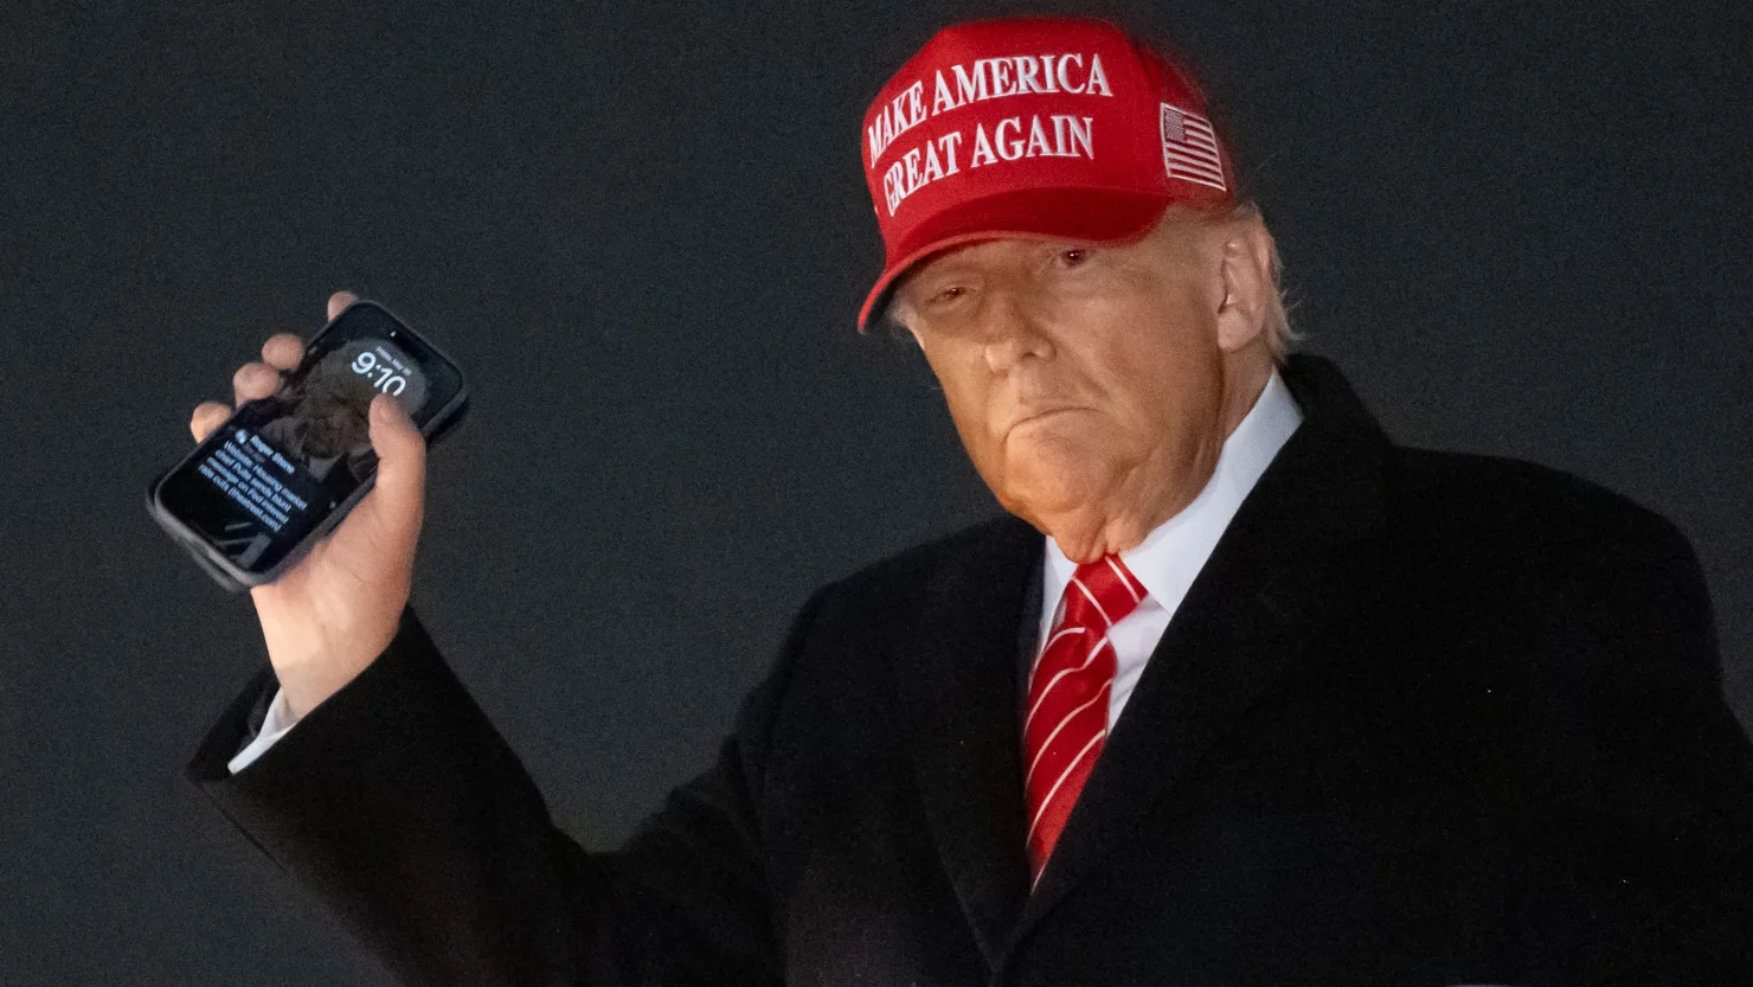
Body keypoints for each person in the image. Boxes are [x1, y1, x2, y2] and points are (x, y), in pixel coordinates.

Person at [182, 15, 1753, 985]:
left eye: (1068, 258)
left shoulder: (1532, 583)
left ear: (1232, 280)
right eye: (948, 297)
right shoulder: (864, 661)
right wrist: (342, 646)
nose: (1006, 336)